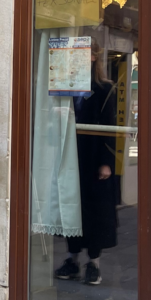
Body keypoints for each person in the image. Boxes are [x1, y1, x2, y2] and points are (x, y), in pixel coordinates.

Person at [55, 41, 118, 287]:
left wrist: (106, 162)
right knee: (70, 209)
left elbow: (109, 127)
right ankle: (72, 259)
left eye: (81, 54)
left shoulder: (105, 89)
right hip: (69, 156)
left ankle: (94, 263)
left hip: (93, 158)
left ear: (93, 57)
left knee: (95, 211)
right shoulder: (64, 87)